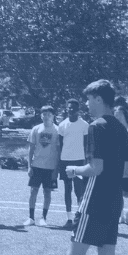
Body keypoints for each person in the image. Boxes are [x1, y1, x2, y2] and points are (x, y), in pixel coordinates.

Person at [31, 80, 128, 255]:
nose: (86, 104)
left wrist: (74, 170)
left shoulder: (96, 127)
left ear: (98, 99)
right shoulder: (122, 128)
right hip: (115, 199)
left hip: (95, 199)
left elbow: (96, 168)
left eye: (89, 99)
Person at [25, 106, 60, 227]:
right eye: (44, 114)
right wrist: (29, 166)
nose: (46, 117)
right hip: (36, 166)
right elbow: (31, 149)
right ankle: (31, 217)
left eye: (49, 115)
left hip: (50, 168)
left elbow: (59, 151)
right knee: (33, 191)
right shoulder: (36, 129)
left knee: (47, 192)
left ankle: (43, 218)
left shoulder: (57, 130)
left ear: (53, 116)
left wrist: (56, 169)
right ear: (41, 116)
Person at [56, 98, 89, 229]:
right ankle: (69, 219)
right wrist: (59, 162)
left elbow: (86, 145)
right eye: (68, 108)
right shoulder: (62, 125)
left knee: (79, 191)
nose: (70, 110)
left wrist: (86, 162)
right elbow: (60, 145)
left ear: (78, 110)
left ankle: (79, 218)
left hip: (79, 161)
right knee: (67, 189)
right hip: (65, 161)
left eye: (73, 108)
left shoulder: (84, 125)